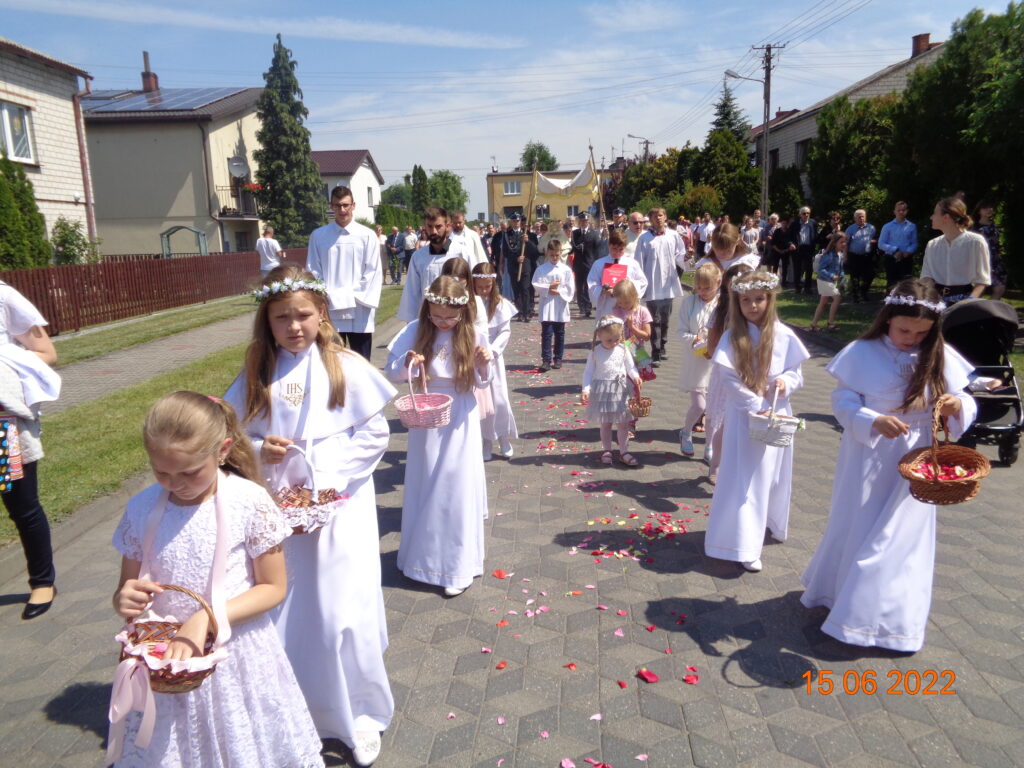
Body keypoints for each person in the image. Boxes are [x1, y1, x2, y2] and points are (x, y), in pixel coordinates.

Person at [224, 264, 396, 766]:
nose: (294, 326)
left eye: (303, 314)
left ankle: (356, 713)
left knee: (342, 605)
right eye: (282, 318)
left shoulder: (343, 365)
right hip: (280, 508)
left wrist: (325, 480)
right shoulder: (259, 371)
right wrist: (260, 449)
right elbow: (237, 436)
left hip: (339, 507)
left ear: (322, 312)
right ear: (267, 321)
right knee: (291, 607)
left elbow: (373, 434)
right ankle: (297, 708)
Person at [110, 391, 324, 768]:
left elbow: (273, 588)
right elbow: (127, 589)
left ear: (222, 450)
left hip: (236, 657)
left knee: (241, 745)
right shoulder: (142, 508)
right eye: (162, 472)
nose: (175, 484)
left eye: (190, 472)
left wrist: (205, 618)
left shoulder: (250, 502)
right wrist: (124, 599)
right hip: (168, 662)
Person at [800, 279, 976, 652]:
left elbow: (961, 397)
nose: (911, 338)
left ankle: (884, 620)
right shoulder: (862, 352)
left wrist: (956, 406)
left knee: (898, 536)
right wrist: (870, 419)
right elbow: (843, 400)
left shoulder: (938, 354)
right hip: (871, 453)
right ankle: (841, 597)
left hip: (920, 459)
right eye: (903, 330)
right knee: (859, 521)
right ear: (887, 320)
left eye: (921, 332)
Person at [385, 277, 493, 597]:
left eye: (450, 317)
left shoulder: (472, 333)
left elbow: (485, 382)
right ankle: (421, 560)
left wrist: (482, 365)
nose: (443, 322)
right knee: (425, 482)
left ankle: (456, 565)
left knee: (454, 486)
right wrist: (409, 363)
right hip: (427, 413)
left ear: (462, 311)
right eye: (437, 316)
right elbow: (393, 370)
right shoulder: (417, 331)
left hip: (459, 412)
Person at [704, 271, 809, 572]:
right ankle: (744, 543)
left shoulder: (784, 334)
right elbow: (728, 377)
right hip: (747, 416)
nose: (753, 306)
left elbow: (796, 372)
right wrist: (755, 404)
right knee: (746, 477)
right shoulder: (731, 337)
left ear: (770, 299)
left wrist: (785, 383)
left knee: (772, 475)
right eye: (746, 300)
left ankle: (768, 523)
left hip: (776, 414)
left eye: (759, 299)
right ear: (738, 302)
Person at [0, 281, 59, 620]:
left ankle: (42, 582)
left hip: (4, 425)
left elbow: (46, 353)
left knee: (22, 506)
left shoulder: (5, 298)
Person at [306, 186, 383, 361]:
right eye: (338, 205)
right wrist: (325, 295)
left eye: (346, 205)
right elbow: (313, 270)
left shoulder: (367, 236)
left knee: (361, 362)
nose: (342, 210)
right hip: (329, 308)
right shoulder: (318, 236)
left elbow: (372, 272)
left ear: (353, 205)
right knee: (330, 362)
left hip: (359, 307)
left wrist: (349, 297)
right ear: (331, 206)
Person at [703, 263, 754, 480]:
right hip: (727, 373)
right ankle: (715, 466)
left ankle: (740, 467)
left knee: (746, 423)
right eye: (734, 286)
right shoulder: (721, 311)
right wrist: (728, 359)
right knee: (723, 423)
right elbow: (712, 345)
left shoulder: (756, 315)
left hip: (751, 374)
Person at [581, 316, 643, 467]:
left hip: (621, 390)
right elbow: (588, 372)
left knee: (623, 423)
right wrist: (586, 389)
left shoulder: (623, 349)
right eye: (609, 340)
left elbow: (630, 366)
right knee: (606, 423)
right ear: (600, 335)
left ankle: (624, 451)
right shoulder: (595, 352)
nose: (614, 343)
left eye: (617, 339)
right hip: (602, 391)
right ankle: (607, 450)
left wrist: (636, 377)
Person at [676, 262, 722, 458]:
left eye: (707, 288)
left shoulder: (723, 304)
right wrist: (694, 340)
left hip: (716, 362)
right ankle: (686, 432)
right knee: (700, 406)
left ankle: (710, 445)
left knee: (714, 409)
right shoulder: (689, 303)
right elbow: (680, 331)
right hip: (696, 361)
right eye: (699, 287)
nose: (702, 292)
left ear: (718, 283)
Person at [474, 262, 519, 459]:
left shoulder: (500, 303)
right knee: (483, 402)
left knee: (499, 399)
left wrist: (492, 350)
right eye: (480, 287)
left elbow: (505, 331)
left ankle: (503, 437)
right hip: (476, 357)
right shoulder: (470, 303)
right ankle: (486, 440)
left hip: (493, 357)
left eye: (488, 286)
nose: (484, 291)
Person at [634, 207, 684, 366]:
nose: (658, 219)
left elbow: (680, 256)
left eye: (660, 215)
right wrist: (640, 286)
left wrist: (687, 257)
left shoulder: (674, 235)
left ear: (665, 217)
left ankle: (662, 346)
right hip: (652, 284)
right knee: (654, 320)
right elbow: (638, 263)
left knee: (665, 319)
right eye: (654, 216)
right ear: (651, 219)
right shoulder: (644, 239)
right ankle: (655, 352)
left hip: (668, 284)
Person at [920, 197, 991, 304]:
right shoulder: (932, 244)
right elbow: (926, 276)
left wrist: (969, 301)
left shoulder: (976, 242)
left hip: (965, 301)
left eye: (935, 213)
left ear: (946, 217)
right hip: (936, 300)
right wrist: (931, 299)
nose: (931, 217)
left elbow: (982, 280)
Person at [398, 206, 459, 324]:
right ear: (424, 227)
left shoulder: (461, 253)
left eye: (438, 226)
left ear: (447, 226)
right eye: (430, 226)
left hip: (455, 319)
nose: (434, 231)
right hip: (428, 320)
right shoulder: (418, 257)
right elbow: (412, 292)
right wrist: (412, 323)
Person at [532, 238, 575, 372]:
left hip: (560, 304)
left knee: (560, 333)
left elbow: (570, 288)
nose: (555, 258)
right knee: (547, 333)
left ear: (561, 253)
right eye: (552, 255)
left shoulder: (566, 270)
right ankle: (546, 359)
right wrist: (548, 288)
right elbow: (536, 283)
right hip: (547, 305)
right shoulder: (542, 269)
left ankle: (558, 358)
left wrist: (560, 291)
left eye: (557, 255)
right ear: (547, 253)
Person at [587, 229, 647, 321]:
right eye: (614, 249)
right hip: (607, 305)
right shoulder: (599, 264)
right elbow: (592, 283)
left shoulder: (632, 263)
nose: (617, 253)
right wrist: (602, 291)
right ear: (609, 245)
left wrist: (628, 286)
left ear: (625, 247)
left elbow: (642, 282)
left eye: (620, 249)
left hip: (626, 306)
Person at [810, 232, 845, 333]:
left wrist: (843, 278)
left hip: (830, 282)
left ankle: (813, 324)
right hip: (824, 281)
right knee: (837, 298)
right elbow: (821, 269)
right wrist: (832, 276)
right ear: (834, 243)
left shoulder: (840, 254)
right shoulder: (829, 255)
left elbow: (840, 269)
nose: (844, 244)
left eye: (844, 242)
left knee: (823, 303)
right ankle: (830, 323)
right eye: (841, 242)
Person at [877, 201, 918, 288]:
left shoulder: (912, 226)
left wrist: (908, 251)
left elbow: (914, 243)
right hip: (891, 258)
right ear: (894, 211)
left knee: (906, 284)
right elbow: (881, 244)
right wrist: (895, 250)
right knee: (892, 284)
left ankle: (905, 301)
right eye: (898, 210)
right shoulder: (887, 226)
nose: (901, 212)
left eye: (903, 210)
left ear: (906, 211)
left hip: (906, 258)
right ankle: (891, 301)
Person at [973, 200, 1006, 301]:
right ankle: (973, 313)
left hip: (996, 262)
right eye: (985, 208)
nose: (989, 210)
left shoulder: (995, 226)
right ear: (979, 211)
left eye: (990, 207)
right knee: (979, 290)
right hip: (981, 262)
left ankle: (988, 311)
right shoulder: (974, 227)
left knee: (1000, 289)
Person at [696, 222, 761, 273]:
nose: (722, 254)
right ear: (712, 244)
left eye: (728, 250)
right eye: (717, 250)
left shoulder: (747, 260)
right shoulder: (706, 263)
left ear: (737, 242)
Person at [571, 212, 602, 317]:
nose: (584, 222)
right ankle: (581, 307)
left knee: (588, 286)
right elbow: (573, 247)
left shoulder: (594, 233)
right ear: (579, 221)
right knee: (579, 287)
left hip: (589, 263)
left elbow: (597, 249)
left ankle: (588, 307)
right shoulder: (575, 233)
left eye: (586, 220)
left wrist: (596, 263)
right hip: (578, 264)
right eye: (582, 220)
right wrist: (577, 247)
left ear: (588, 221)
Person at [844, 209, 878, 303]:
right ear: (855, 218)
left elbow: (876, 239)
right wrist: (845, 255)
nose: (861, 218)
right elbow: (846, 243)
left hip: (867, 256)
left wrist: (873, 241)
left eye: (863, 216)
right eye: (859, 217)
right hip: (854, 256)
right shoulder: (850, 229)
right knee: (855, 276)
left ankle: (863, 292)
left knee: (870, 275)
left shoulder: (871, 228)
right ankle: (856, 296)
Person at [787, 206, 817, 294]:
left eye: (808, 213)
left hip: (808, 248)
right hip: (797, 249)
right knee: (798, 269)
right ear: (800, 215)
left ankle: (808, 288)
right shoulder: (795, 224)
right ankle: (798, 288)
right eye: (804, 213)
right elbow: (789, 237)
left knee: (809, 269)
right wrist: (790, 244)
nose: (806, 215)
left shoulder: (813, 223)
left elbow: (815, 235)